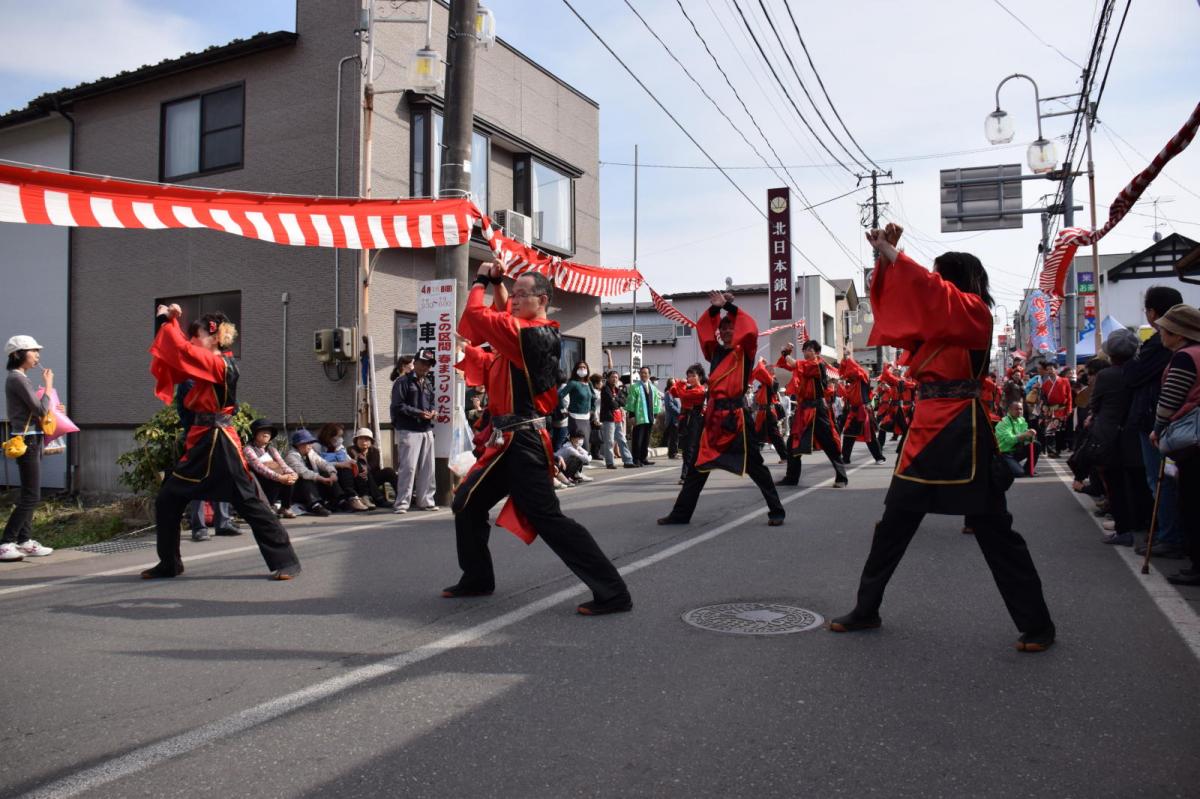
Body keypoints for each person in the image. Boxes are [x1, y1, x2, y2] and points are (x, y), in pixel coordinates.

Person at [829, 225, 1055, 653]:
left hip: (962, 430)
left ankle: (1038, 623)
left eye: (937, 275)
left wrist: (895, 254)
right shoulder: (938, 322)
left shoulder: (973, 312)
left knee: (995, 531)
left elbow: (928, 291)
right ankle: (866, 608)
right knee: (892, 525)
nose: (930, 281)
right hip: (925, 429)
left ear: (952, 280)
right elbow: (905, 302)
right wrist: (885, 260)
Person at [447, 262, 631, 615]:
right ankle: (477, 579)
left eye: (520, 295)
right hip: (506, 443)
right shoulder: (519, 337)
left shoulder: (534, 334)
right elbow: (492, 343)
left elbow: (477, 313)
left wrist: (482, 280)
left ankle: (613, 591)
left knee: (548, 518)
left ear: (542, 299)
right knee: (467, 504)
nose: (512, 301)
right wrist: (499, 287)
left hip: (524, 443)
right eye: (511, 295)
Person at [142, 306, 300, 580]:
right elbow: (179, 356)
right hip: (202, 439)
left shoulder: (219, 364)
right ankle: (169, 563)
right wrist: (171, 322)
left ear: (214, 337)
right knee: (168, 498)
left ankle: (285, 561)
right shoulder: (208, 362)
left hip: (220, 442)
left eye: (197, 335)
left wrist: (169, 320)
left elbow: (181, 352)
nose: (192, 341)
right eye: (189, 336)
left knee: (249, 501)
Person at [658, 291, 786, 527]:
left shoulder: (745, 351)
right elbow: (705, 331)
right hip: (715, 419)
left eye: (731, 327)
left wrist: (730, 307)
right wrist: (716, 310)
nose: (727, 331)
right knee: (698, 467)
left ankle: (776, 510)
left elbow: (750, 330)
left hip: (737, 417)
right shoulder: (715, 352)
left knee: (755, 466)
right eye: (724, 328)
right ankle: (680, 514)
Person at [1126, 286, 1185, 559]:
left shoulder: (1168, 348)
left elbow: (1133, 375)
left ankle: (1170, 535)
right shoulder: (1180, 347)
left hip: (1160, 424)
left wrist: (1158, 426)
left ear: (1152, 312)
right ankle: (1168, 532)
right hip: (1172, 425)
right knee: (1168, 480)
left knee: (1161, 480)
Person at [1149, 304, 1200, 586]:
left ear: (1178, 333)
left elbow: (1169, 402)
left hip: (1192, 439)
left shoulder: (1184, 358)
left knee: (1191, 502)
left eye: (1164, 329)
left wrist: (1157, 429)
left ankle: (1197, 565)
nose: (1160, 333)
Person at [1089, 330, 1151, 546]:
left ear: (1111, 355)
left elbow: (1094, 404)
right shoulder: (1143, 370)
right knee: (1140, 483)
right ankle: (1146, 526)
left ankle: (1123, 529)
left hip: (1110, 436)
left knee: (1115, 484)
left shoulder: (1106, 376)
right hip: (1137, 432)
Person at [1, 335, 57, 562]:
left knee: (30, 493)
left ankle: (24, 541)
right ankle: (6, 542)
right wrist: (49, 387)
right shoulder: (18, 379)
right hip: (28, 441)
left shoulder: (19, 378)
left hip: (31, 439)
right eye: (33, 351)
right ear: (17, 355)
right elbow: (41, 410)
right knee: (31, 495)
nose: (37, 356)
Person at [776, 339, 848, 488]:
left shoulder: (817, 364)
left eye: (809, 349)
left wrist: (785, 353)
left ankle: (841, 477)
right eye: (805, 349)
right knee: (792, 444)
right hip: (803, 410)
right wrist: (785, 355)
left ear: (817, 352)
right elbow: (783, 364)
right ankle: (791, 478)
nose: (806, 351)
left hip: (818, 410)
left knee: (829, 443)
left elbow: (794, 364)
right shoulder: (804, 365)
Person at [390, 346, 438, 514]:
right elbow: (398, 406)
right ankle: (402, 503)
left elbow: (432, 402)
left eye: (429, 364)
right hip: (408, 429)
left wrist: (433, 411)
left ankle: (426, 501)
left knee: (428, 467)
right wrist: (419, 413)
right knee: (408, 468)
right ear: (415, 362)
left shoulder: (428, 383)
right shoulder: (402, 381)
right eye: (423, 363)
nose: (425, 366)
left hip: (426, 429)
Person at [242, 419, 298, 518]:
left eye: (268, 431)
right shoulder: (249, 449)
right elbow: (260, 468)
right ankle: (269, 507)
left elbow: (282, 464)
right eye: (263, 431)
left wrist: (293, 474)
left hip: (273, 476)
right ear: (255, 433)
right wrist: (280, 477)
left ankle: (285, 507)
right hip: (258, 480)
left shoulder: (272, 449)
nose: (266, 434)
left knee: (289, 477)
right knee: (277, 478)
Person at [284, 428, 343, 516]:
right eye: (306, 443)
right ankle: (315, 505)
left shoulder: (311, 453)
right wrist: (322, 479)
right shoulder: (291, 456)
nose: (310, 445)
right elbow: (304, 472)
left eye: (310, 443)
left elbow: (323, 463)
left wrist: (332, 473)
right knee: (304, 478)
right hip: (299, 490)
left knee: (326, 473)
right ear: (298, 444)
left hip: (314, 487)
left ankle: (339, 500)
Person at [838, 355, 885, 465]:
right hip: (854, 412)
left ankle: (879, 457)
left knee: (870, 436)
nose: (848, 377)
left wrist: (848, 359)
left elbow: (854, 370)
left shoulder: (862, 377)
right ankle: (845, 458)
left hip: (863, 411)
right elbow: (844, 374)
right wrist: (844, 361)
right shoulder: (851, 384)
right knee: (848, 434)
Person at [315, 423, 369, 510]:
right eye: (338, 436)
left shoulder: (339, 446)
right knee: (345, 468)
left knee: (355, 466)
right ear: (329, 435)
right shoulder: (318, 446)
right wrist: (339, 464)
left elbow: (346, 458)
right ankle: (352, 498)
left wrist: (352, 462)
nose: (340, 438)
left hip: (341, 472)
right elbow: (319, 464)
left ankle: (361, 496)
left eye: (341, 436)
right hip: (326, 473)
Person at [671, 364, 708, 485]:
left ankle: (686, 475)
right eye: (688, 376)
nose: (690, 378)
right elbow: (673, 392)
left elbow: (682, 394)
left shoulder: (700, 390)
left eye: (693, 376)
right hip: (685, 419)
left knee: (690, 448)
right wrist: (679, 384)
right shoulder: (688, 388)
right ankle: (690, 473)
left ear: (700, 377)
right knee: (686, 449)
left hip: (694, 420)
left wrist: (679, 383)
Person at [750, 358, 790, 463]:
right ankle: (754, 459)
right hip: (763, 412)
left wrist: (760, 361)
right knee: (760, 435)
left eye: (767, 369)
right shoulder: (765, 383)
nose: (765, 371)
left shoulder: (773, 381)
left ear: (770, 372)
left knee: (774, 435)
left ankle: (785, 456)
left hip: (768, 412)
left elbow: (760, 371)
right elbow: (757, 373)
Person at [625, 366, 663, 467]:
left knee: (646, 438)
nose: (643, 375)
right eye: (641, 373)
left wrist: (655, 416)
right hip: (639, 417)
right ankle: (636, 459)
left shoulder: (653, 388)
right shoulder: (635, 387)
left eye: (645, 373)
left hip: (649, 417)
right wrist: (632, 416)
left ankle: (643, 458)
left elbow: (656, 403)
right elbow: (631, 401)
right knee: (638, 438)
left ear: (649, 375)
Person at [348, 428, 393, 508]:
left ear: (371, 441)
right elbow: (354, 464)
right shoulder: (351, 450)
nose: (363, 442)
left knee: (389, 471)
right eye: (360, 439)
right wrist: (357, 456)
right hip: (358, 479)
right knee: (363, 470)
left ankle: (402, 495)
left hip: (373, 477)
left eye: (366, 439)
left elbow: (374, 465)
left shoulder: (374, 451)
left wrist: (366, 469)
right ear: (356, 441)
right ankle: (380, 499)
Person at [599, 369, 634, 469]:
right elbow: (612, 404)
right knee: (609, 441)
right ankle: (610, 462)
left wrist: (616, 398)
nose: (614, 379)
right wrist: (616, 400)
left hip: (618, 418)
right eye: (612, 377)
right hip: (609, 418)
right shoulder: (605, 389)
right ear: (608, 378)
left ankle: (628, 461)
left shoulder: (618, 390)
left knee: (622, 440)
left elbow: (624, 402)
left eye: (616, 377)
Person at [1037, 360, 1073, 457]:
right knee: (1050, 430)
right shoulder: (1045, 384)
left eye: (1051, 369)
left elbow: (1069, 396)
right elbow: (1043, 397)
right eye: (1048, 369)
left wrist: (1069, 408)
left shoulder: (1064, 380)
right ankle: (1051, 451)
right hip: (1050, 409)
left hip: (1061, 408)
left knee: (1059, 431)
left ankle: (1057, 449)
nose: (1049, 371)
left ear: (1056, 370)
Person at [995, 401, 1038, 477]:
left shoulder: (1021, 420)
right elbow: (1008, 440)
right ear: (1010, 410)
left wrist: (1030, 434)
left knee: (1036, 444)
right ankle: (999, 466)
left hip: (1015, 450)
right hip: (1004, 453)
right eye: (1016, 409)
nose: (1019, 411)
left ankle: (1028, 470)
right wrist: (1024, 435)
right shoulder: (1004, 422)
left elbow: (1026, 438)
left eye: (1021, 409)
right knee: (1018, 473)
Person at [562, 360, 595, 442]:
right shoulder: (573, 383)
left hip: (587, 417)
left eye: (584, 367)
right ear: (576, 369)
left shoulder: (589, 383)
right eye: (580, 367)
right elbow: (560, 395)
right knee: (577, 443)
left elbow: (593, 397)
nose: (582, 369)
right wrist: (563, 409)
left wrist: (592, 410)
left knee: (586, 443)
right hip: (575, 417)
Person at [662, 377, 682, 459]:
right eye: (674, 383)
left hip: (676, 419)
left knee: (675, 437)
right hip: (672, 419)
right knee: (673, 437)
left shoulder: (675, 393)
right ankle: (672, 453)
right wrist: (679, 412)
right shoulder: (668, 393)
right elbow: (669, 406)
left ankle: (675, 451)